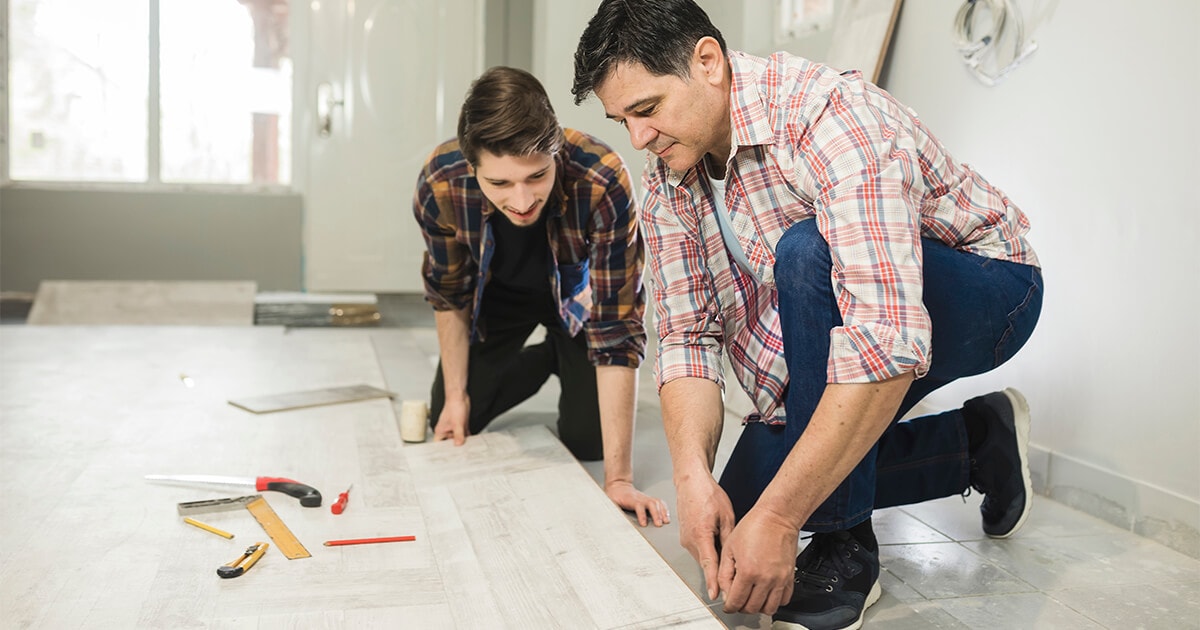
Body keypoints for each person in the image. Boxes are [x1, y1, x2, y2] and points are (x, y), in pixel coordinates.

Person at [572, 1, 1044, 628]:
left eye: (647, 109)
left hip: (990, 288)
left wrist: (784, 518)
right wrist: (692, 480)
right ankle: (978, 444)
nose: (638, 138)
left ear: (707, 62)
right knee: (735, 513)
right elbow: (689, 335)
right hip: (859, 318)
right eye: (621, 119)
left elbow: (883, 340)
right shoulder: (667, 175)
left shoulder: (830, 116)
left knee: (806, 250)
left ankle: (848, 547)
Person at [413, 66, 669, 527]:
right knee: (451, 419)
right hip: (496, 303)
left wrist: (620, 479)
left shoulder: (602, 177)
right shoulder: (441, 181)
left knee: (590, 443)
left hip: (574, 303)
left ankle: (564, 351)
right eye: (500, 184)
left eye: (536, 176)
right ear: (472, 168)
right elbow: (449, 297)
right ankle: (553, 356)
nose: (522, 199)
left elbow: (618, 322)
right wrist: (455, 397)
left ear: (557, 152)